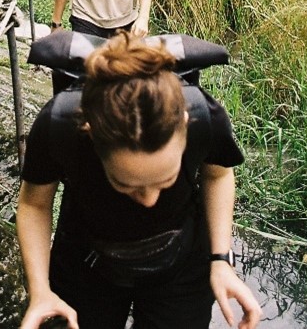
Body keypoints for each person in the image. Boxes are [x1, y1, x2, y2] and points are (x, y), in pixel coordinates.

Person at [16, 32, 262, 329]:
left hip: (181, 264)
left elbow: (218, 174)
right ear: (91, 134)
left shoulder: (202, 116)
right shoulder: (59, 125)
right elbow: (34, 205)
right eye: (127, 185)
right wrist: (40, 291)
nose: (149, 200)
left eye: (165, 180)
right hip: (86, 260)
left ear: (184, 124)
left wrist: (221, 260)